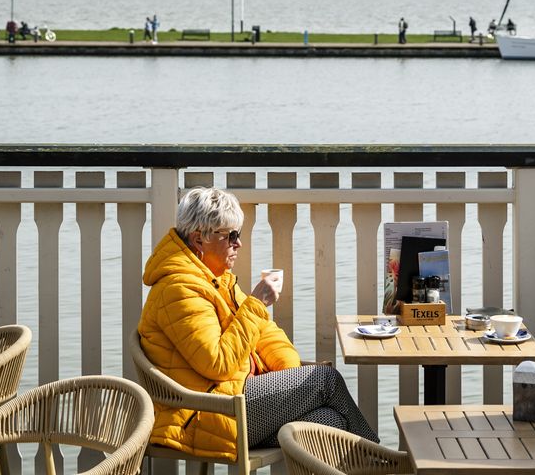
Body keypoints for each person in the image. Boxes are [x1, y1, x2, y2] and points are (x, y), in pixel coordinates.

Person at [138, 187, 378, 462]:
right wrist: (257, 304)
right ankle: (378, 460)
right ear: (199, 239)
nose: (238, 244)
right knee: (325, 380)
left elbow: (266, 335)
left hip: (237, 398)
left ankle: (372, 462)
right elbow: (218, 363)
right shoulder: (179, 289)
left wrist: (288, 383)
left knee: (330, 421)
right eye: (231, 236)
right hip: (207, 414)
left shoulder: (216, 279)